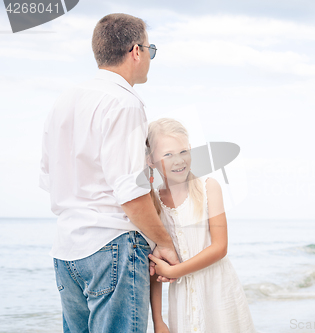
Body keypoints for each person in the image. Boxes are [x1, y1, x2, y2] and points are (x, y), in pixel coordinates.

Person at [39, 14, 179, 333]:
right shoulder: (124, 103)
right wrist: (164, 243)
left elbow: (49, 177)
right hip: (112, 244)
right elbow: (130, 192)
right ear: (135, 51)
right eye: (150, 50)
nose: (149, 58)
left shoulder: (63, 101)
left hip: (66, 249)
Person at [145, 118, 256, 333]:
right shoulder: (153, 202)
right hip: (182, 298)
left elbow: (220, 248)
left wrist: (174, 270)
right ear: (151, 160)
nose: (178, 161)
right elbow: (155, 266)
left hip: (218, 290)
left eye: (184, 151)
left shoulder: (208, 188)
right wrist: (158, 320)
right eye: (168, 154)